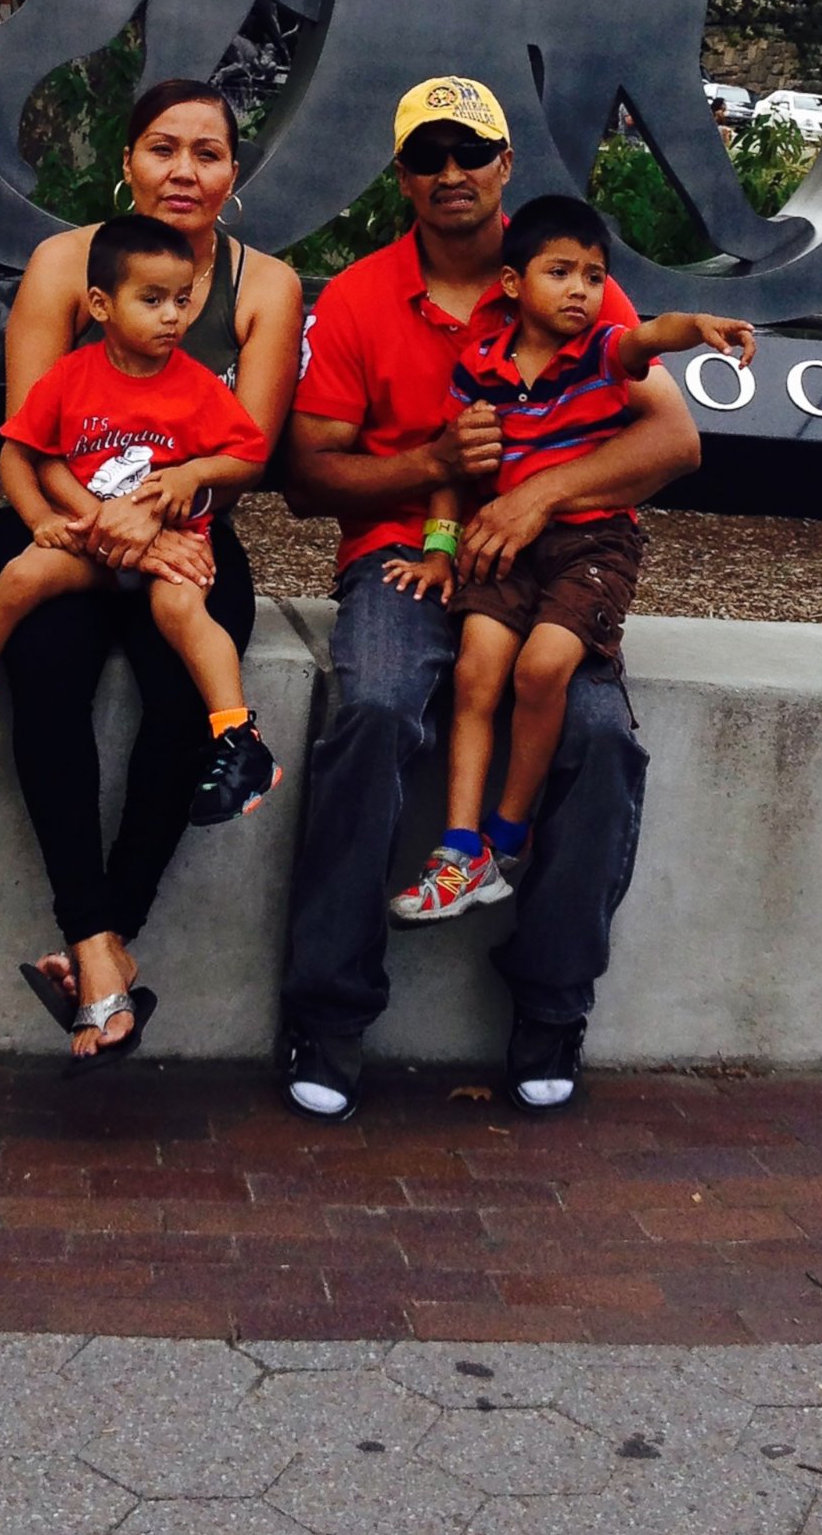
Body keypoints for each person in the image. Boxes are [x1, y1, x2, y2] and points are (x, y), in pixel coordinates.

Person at [280, 75, 705, 1121]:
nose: (450, 173)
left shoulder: (568, 274)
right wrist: (426, 458)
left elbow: (672, 439)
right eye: (427, 157)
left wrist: (536, 496)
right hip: (402, 559)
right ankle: (329, 1014)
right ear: (402, 177)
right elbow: (305, 475)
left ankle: (551, 1006)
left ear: (504, 164)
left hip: (553, 560)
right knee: (375, 711)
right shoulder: (357, 300)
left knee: (600, 742)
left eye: (470, 152)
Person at [0, 80, 304, 1061]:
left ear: (232, 172)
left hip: (188, 528)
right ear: (127, 161)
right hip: (56, 521)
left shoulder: (265, 287)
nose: (182, 171)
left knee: (184, 705)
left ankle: (105, 942)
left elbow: (249, 455)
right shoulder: (66, 264)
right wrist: (107, 528)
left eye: (205, 152)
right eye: (161, 148)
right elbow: (27, 436)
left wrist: (164, 521)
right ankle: (99, 952)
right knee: (50, 679)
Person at [382, 193, 754, 923]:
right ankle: (459, 848)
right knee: (475, 671)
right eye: (561, 272)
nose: (580, 289)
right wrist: (438, 551)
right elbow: (457, 469)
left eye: (592, 275)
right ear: (515, 284)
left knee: (543, 667)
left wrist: (697, 326)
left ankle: (507, 832)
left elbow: (648, 338)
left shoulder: (600, 354)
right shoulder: (479, 366)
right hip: (507, 548)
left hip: (591, 545)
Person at [0, 214, 281, 838]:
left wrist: (192, 476)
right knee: (20, 577)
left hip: (171, 543)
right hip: (89, 540)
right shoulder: (70, 377)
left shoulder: (196, 388)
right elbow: (18, 453)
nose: (173, 317)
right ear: (101, 305)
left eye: (183, 301)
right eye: (153, 300)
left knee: (185, 612)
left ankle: (238, 739)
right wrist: (40, 519)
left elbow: (249, 453)